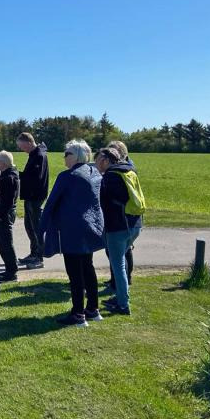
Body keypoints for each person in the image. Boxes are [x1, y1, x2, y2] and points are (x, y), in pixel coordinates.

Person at [40, 140, 105, 327]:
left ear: (77, 155)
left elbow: (51, 203)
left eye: (67, 153)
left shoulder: (68, 176)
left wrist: (41, 228)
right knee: (88, 268)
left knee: (75, 273)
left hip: (72, 230)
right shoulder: (95, 173)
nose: (64, 157)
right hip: (91, 227)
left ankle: (78, 314)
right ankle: (93, 309)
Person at [95, 147, 143, 316]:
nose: (96, 164)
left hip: (118, 227)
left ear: (106, 160)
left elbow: (105, 202)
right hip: (135, 224)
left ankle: (123, 305)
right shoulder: (129, 171)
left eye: (98, 161)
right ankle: (121, 297)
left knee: (118, 266)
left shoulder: (111, 176)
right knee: (121, 261)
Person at [102, 139, 135, 290]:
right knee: (123, 251)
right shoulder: (129, 167)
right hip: (130, 218)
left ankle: (120, 283)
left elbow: (116, 198)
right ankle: (121, 280)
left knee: (119, 253)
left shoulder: (117, 172)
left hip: (121, 219)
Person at [17, 132, 49, 268]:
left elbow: (35, 178)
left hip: (35, 196)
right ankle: (34, 253)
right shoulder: (35, 154)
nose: (21, 149)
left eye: (22, 146)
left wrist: (18, 174)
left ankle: (39, 257)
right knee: (29, 226)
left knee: (36, 227)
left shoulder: (39, 155)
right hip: (31, 196)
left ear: (29, 142)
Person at [0, 150, 20, 282]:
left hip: (5, 214)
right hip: (5, 213)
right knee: (3, 242)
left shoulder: (9, 177)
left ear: (3, 163)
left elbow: (9, 200)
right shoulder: (7, 174)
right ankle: (10, 269)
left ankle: (12, 271)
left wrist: (0, 214)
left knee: (5, 243)